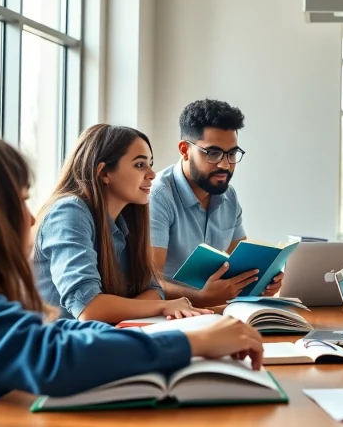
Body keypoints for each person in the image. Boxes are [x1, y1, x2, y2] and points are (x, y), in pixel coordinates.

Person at [0, 120, 264, 426]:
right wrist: (190, 340)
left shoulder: (127, 221)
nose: (31, 219)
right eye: (18, 202)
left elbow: (148, 290)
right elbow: (54, 350)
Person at [34, 124, 211, 322]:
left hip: (99, 337)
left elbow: (153, 289)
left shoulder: (127, 218)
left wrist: (155, 305)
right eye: (139, 165)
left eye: (150, 164)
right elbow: (89, 308)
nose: (152, 174)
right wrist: (163, 307)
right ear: (104, 173)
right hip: (55, 345)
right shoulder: (69, 212)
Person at [150, 99, 282, 306]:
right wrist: (201, 297)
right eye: (213, 153)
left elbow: (241, 263)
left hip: (215, 312)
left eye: (231, 154)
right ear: (185, 150)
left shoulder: (229, 196)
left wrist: (264, 279)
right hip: (167, 317)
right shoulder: (157, 197)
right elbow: (149, 282)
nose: (225, 165)